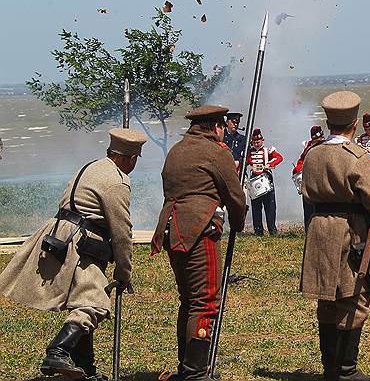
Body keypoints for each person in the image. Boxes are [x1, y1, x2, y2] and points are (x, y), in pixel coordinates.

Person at [0, 128, 147, 380]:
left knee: (82, 301)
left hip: (62, 233)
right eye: (135, 159)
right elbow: (122, 231)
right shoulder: (117, 181)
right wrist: (124, 272)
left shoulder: (90, 167)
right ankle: (57, 352)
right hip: (83, 241)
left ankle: (86, 370)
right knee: (94, 304)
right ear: (129, 158)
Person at [300, 91, 370, 381]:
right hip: (348, 230)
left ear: (329, 122)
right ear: (354, 124)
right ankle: (346, 370)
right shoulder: (357, 157)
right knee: (354, 298)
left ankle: (330, 368)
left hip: (317, 228)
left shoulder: (313, 154)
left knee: (326, 299)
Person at [151, 105, 246, 381]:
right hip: (199, 229)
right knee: (204, 303)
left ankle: (187, 367)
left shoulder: (176, 151)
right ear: (216, 126)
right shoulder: (216, 151)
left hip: (171, 227)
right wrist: (238, 223)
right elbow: (235, 196)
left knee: (189, 300)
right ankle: (195, 373)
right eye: (223, 127)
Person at [246, 128, 284, 236]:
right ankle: (258, 230)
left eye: (258, 142)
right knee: (256, 206)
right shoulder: (249, 151)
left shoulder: (268, 150)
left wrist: (270, 164)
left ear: (263, 140)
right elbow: (247, 160)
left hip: (266, 178)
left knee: (270, 206)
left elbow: (279, 158)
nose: (256, 144)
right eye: (254, 142)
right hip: (254, 180)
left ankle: (272, 229)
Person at [293, 125, 325, 232]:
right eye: (316, 140)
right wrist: (298, 169)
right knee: (308, 210)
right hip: (310, 181)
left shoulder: (327, 146)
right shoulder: (308, 148)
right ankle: (309, 231)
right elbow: (301, 160)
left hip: (323, 183)